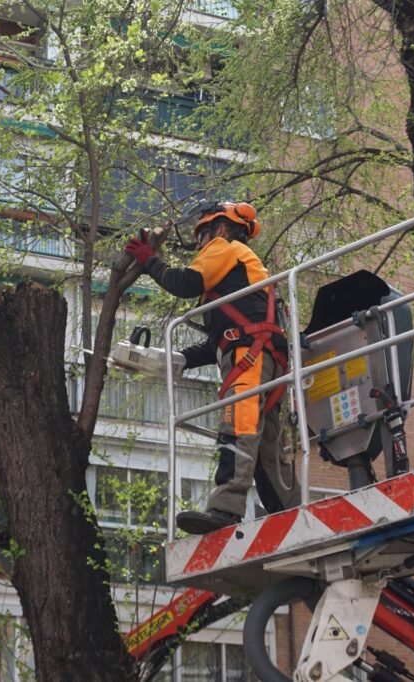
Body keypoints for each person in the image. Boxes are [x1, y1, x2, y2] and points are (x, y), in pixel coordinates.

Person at [124, 201, 301, 534]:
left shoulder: (225, 247)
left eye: (201, 236)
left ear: (219, 229)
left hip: (250, 356)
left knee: (238, 427)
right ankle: (293, 516)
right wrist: (181, 358)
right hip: (263, 356)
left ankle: (225, 510)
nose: (200, 246)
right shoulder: (242, 274)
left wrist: (148, 260)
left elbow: (185, 283)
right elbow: (220, 340)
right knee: (266, 448)